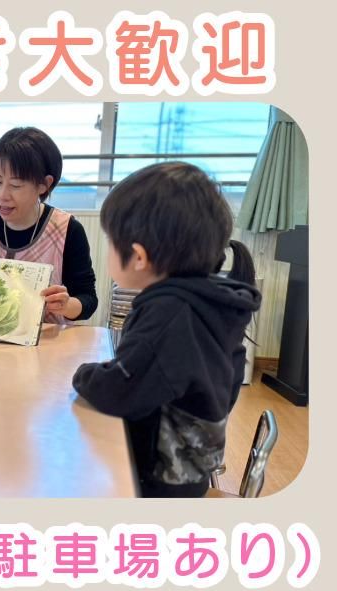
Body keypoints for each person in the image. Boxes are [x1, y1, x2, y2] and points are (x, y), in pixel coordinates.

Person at [72, 162, 262, 497]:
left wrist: (84, 374)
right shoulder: (206, 302)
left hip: (158, 483)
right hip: (190, 472)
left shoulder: (169, 314)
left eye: (111, 241)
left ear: (138, 256)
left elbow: (119, 393)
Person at [0, 126, 98, 322]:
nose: (2, 195)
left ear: (44, 184)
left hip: (45, 338)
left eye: (15, 185)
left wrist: (67, 305)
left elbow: (88, 299)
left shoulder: (67, 230)